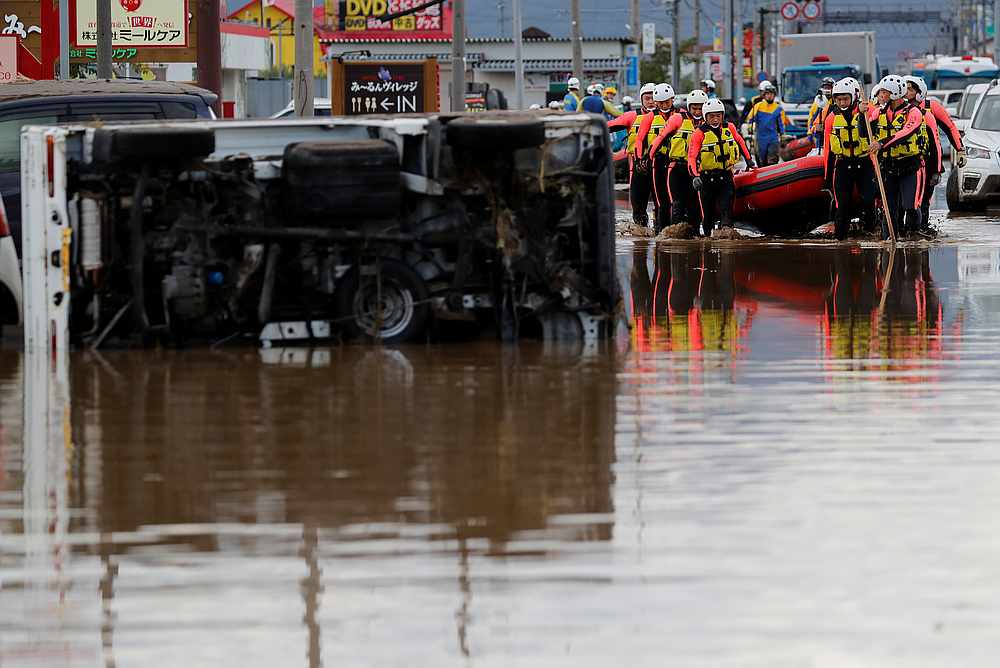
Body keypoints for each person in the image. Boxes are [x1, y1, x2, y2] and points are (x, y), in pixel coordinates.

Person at [868, 77, 929, 237]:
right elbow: (864, 131)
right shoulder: (878, 112)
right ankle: (890, 240)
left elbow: (905, 133)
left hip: (909, 165)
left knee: (910, 206)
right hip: (888, 166)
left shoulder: (913, 112)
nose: (880, 95)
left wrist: (882, 143)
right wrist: (862, 116)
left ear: (894, 93)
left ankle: (914, 237)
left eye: (884, 92)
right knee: (890, 209)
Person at [688, 98, 755, 235]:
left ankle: (726, 241)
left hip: (725, 176)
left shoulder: (729, 127)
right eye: (712, 116)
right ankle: (707, 240)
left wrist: (749, 160)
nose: (715, 119)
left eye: (718, 116)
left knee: (727, 210)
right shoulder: (699, 134)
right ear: (705, 117)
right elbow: (692, 157)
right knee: (708, 214)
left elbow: (740, 142)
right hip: (706, 179)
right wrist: (695, 176)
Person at [905, 75, 964, 227]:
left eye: (909, 89)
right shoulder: (896, 109)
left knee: (924, 199)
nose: (905, 92)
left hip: (929, 159)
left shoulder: (932, 107)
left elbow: (950, 127)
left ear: (919, 92)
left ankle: (922, 229)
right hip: (906, 159)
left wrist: (960, 150)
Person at [649, 89, 709, 234]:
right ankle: (671, 237)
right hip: (676, 168)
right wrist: (649, 157)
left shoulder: (710, 123)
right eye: (694, 108)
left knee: (695, 206)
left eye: (700, 108)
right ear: (689, 107)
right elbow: (660, 139)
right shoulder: (678, 119)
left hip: (695, 170)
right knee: (676, 204)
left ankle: (694, 236)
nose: (697, 111)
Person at [823, 78, 876, 239]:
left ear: (854, 96)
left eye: (845, 98)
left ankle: (870, 234)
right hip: (843, 165)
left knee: (868, 201)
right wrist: (827, 178)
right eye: (838, 99)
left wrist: (861, 112)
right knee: (842, 205)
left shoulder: (868, 110)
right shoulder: (831, 118)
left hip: (864, 163)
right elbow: (828, 149)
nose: (842, 102)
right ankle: (841, 240)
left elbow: (875, 122)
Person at [608, 83, 659, 227]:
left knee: (662, 206)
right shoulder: (631, 116)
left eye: (654, 98)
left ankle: (661, 234)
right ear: (642, 100)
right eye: (647, 98)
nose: (651, 102)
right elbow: (608, 126)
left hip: (660, 166)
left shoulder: (670, 117)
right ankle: (641, 238)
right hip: (638, 167)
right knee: (638, 208)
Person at [637, 83, 679, 233]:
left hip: (675, 162)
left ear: (672, 99)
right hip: (657, 161)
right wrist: (641, 158)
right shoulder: (650, 117)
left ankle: (677, 230)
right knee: (661, 200)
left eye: (667, 102)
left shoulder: (680, 115)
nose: (664, 105)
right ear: (656, 102)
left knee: (676, 200)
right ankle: (661, 231)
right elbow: (640, 139)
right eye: (661, 103)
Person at [745, 81, 787, 166]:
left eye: (771, 94)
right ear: (764, 95)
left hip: (773, 138)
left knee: (772, 160)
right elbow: (750, 119)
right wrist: (750, 127)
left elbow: (781, 124)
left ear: (774, 95)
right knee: (761, 161)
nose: (769, 95)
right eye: (767, 94)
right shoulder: (758, 106)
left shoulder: (778, 109)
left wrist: (782, 135)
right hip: (760, 138)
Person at [808, 77, 836, 149]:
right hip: (820, 133)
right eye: (825, 87)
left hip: (833, 132)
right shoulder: (818, 102)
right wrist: (810, 132)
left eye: (829, 87)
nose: (827, 90)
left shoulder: (836, 101)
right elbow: (811, 118)